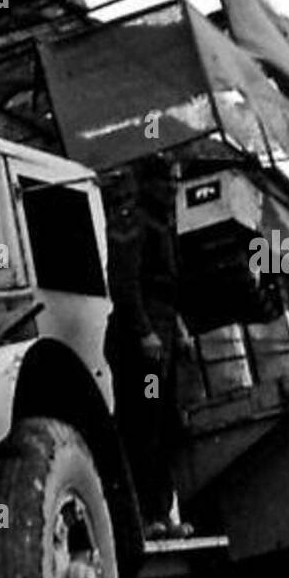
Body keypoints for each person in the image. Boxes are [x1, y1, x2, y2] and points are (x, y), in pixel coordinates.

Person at [102, 156, 192, 540]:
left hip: (164, 331)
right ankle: (145, 517)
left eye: (175, 180)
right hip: (142, 343)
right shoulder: (132, 220)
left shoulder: (164, 221)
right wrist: (144, 332)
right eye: (166, 180)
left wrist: (179, 328)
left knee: (168, 422)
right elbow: (124, 284)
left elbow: (168, 285)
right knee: (145, 423)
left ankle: (164, 513)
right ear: (148, 182)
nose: (173, 187)